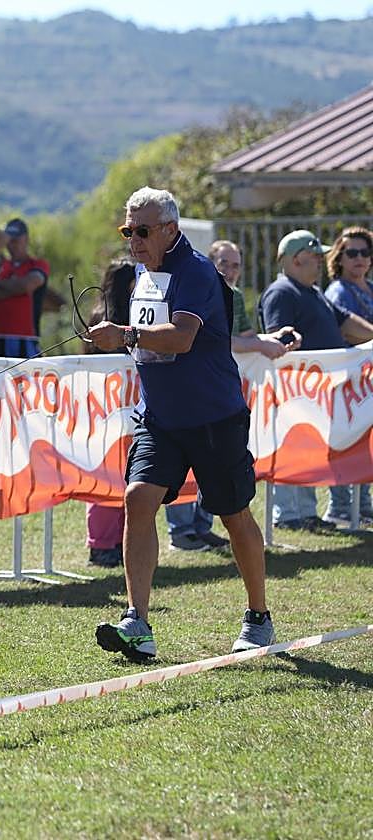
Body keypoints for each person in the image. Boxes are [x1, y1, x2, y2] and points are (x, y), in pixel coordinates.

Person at [89, 187, 274, 661]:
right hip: (161, 419)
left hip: (213, 417)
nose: (134, 239)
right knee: (137, 498)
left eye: (143, 230)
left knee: (233, 516)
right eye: (128, 230)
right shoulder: (140, 275)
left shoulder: (194, 271)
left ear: (171, 229)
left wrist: (126, 334)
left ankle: (258, 616)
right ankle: (138, 621)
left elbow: (182, 338)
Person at [164, 239, 300, 550]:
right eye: (223, 263)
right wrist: (260, 345)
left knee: (213, 465)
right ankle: (183, 530)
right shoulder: (195, 288)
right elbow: (220, 340)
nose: (230, 270)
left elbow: (246, 336)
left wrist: (277, 338)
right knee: (183, 461)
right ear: (208, 263)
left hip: (220, 395)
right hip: (192, 389)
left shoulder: (235, 295)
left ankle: (202, 525)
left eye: (236, 264)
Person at [260, 229, 373, 531]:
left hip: (321, 391)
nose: (322, 262)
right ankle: (289, 516)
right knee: (296, 447)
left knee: (312, 450)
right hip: (296, 391)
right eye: (315, 257)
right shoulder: (281, 292)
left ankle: (305, 514)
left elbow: (345, 321)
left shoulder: (313, 291)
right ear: (297, 259)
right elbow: (280, 336)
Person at [83, 258, 135, 568]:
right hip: (108, 409)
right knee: (105, 478)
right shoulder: (104, 320)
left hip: (128, 409)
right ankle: (101, 544)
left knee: (127, 478)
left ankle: (118, 541)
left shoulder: (127, 319)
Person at [322, 227, 373, 526]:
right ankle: (341, 506)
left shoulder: (369, 287)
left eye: (365, 253)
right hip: (347, 380)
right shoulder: (338, 290)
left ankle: (363, 505)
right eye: (352, 253)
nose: (359, 259)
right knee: (346, 440)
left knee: (366, 442)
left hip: (367, 381)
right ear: (339, 257)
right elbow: (344, 329)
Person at [0, 217, 47, 358]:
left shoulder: (37, 264)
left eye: (16, 240)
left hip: (26, 338)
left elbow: (27, 285)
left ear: (26, 239)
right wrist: (13, 288)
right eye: (9, 241)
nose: (12, 245)